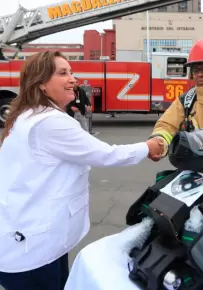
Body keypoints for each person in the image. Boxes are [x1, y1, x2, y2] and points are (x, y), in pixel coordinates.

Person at [0, 51, 164, 290]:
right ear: (41, 84)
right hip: (33, 248)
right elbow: (106, 155)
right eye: (62, 73)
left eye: (72, 72)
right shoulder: (50, 122)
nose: (73, 79)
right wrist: (148, 147)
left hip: (31, 238)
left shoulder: (27, 115)